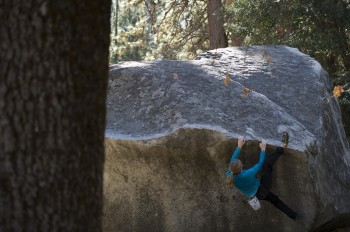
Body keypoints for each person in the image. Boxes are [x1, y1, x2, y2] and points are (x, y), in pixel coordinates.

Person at [226, 133, 298, 220]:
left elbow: (232, 159)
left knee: (274, 200)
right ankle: (282, 147)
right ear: (241, 168)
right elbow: (260, 164)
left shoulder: (230, 174)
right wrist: (263, 149)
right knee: (266, 164)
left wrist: (239, 146)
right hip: (262, 188)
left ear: (231, 168)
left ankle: (293, 215)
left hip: (257, 196)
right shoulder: (247, 174)